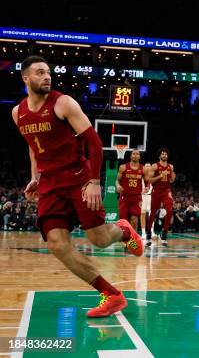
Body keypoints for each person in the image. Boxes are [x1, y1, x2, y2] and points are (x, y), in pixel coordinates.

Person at [12, 56, 143, 318]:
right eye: (40, 73)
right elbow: (32, 146)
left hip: (78, 176)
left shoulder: (63, 103)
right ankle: (112, 295)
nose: (47, 77)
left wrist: (94, 181)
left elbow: (94, 142)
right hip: (50, 183)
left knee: (100, 239)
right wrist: (35, 177)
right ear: (26, 78)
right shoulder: (18, 113)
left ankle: (124, 231)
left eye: (48, 72)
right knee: (57, 244)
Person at [145, 148, 175, 247]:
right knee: (153, 213)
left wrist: (172, 173)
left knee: (170, 211)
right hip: (156, 191)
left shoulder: (170, 166)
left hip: (166, 191)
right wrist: (160, 176)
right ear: (159, 156)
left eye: (165, 154)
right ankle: (148, 233)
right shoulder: (154, 166)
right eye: (162, 154)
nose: (164, 155)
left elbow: (171, 180)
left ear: (167, 156)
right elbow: (150, 180)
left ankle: (164, 233)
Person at [116, 149, 145, 231]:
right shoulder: (123, 167)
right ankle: (125, 239)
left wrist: (147, 186)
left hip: (136, 198)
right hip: (124, 197)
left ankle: (132, 240)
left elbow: (147, 181)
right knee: (123, 221)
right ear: (130, 156)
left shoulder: (143, 169)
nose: (135, 155)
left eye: (137, 154)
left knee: (134, 220)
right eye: (133, 153)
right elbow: (117, 180)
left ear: (139, 156)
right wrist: (118, 185)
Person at [140, 163, 153, 238]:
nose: (148, 167)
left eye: (149, 166)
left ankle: (151, 231)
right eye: (146, 166)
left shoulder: (153, 176)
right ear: (144, 167)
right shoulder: (141, 176)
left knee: (152, 215)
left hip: (151, 196)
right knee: (143, 215)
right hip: (142, 196)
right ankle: (143, 233)